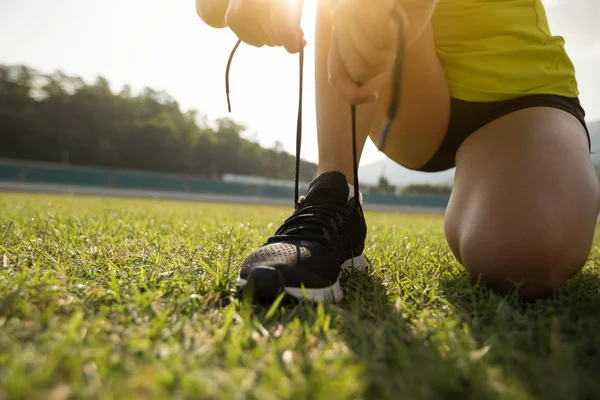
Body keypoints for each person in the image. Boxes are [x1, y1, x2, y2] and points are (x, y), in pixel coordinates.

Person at [196, 0, 600, 302]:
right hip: (403, 99)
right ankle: (337, 195)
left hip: (519, 94)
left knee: (522, 255)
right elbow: (210, 10)